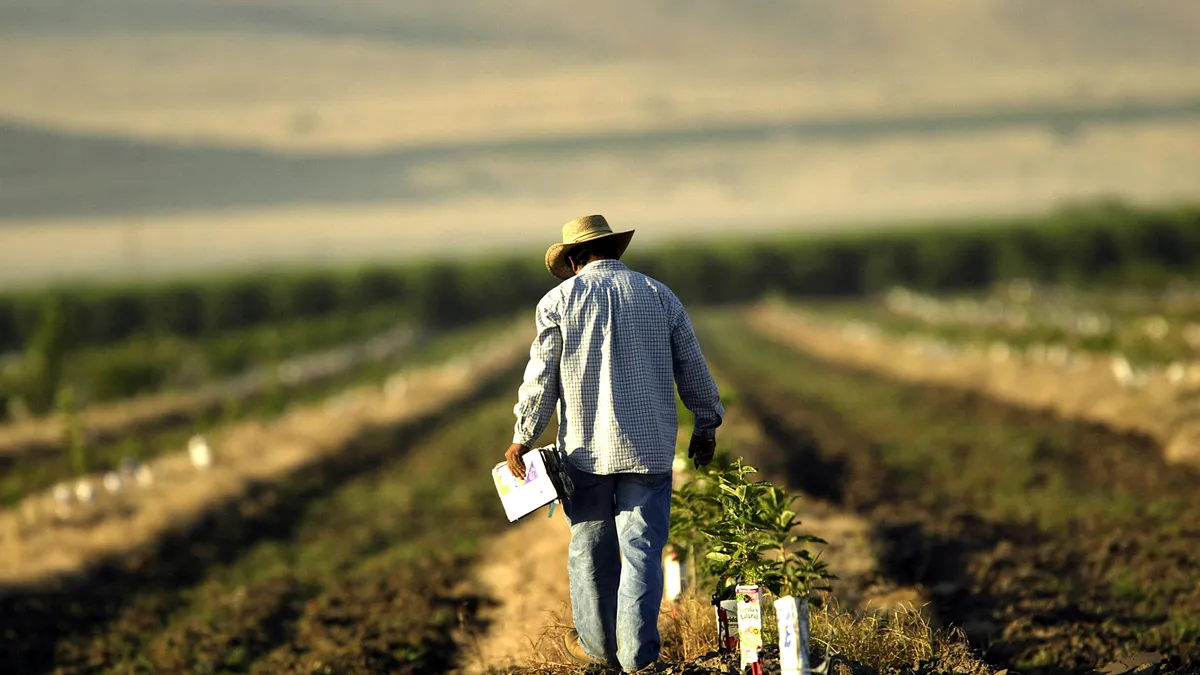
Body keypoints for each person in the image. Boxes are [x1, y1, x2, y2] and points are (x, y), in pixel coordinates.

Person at [504, 215, 724, 672]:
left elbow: (541, 377)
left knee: (589, 550)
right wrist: (706, 425)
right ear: (612, 251)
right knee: (643, 551)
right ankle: (638, 659)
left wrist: (523, 437)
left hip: (584, 452)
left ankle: (600, 651)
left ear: (573, 259)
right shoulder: (658, 295)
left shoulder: (557, 302)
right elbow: (692, 367)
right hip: (648, 448)